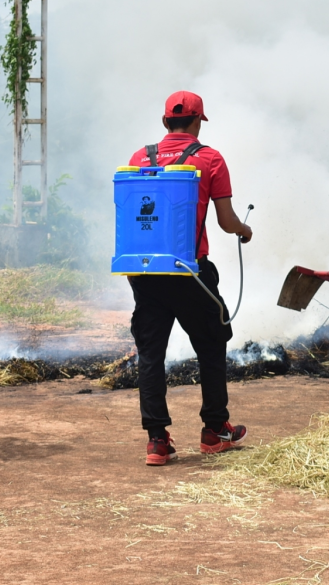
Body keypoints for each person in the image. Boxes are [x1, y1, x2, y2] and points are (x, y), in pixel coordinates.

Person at [125, 91, 253, 466]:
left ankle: (157, 441)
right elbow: (226, 221)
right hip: (189, 271)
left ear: (166, 122)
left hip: (146, 271)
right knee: (213, 341)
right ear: (197, 122)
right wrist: (245, 231)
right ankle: (215, 431)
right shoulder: (209, 158)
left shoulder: (139, 158)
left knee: (151, 354)